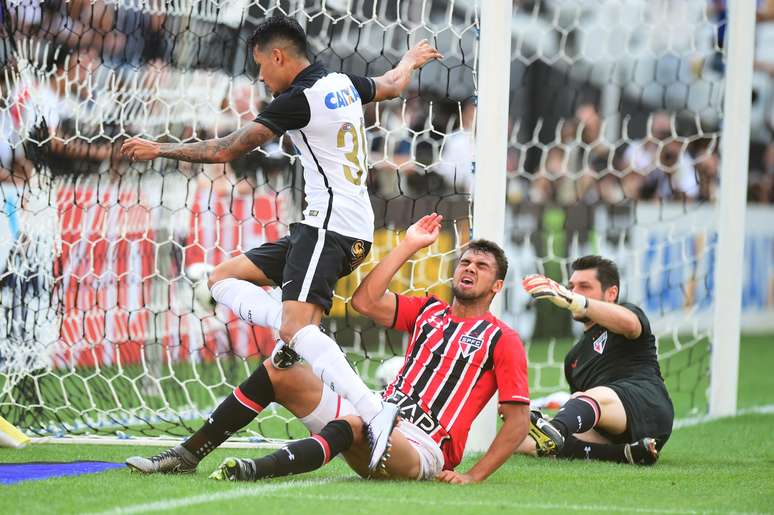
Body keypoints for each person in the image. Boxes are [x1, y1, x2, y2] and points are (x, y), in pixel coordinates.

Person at [121, 14, 442, 471]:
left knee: (291, 334)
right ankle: (201, 442)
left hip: (328, 229)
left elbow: (227, 149)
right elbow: (390, 83)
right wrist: (410, 59)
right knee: (222, 278)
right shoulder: (339, 83)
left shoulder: (300, 99)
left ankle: (374, 410)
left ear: (278, 56)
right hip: (334, 227)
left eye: (261, 66)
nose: (260, 77)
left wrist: (160, 149)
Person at [203, 213, 530, 484]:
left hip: (421, 447)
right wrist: (409, 244)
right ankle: (187, 453)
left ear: (497, 286)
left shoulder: (502, 338)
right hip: (378, 415)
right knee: (281, 373)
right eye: (465, 262)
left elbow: (517, 422)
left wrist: (474, 476)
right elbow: (364, 301)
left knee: (359, 424)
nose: (470, 268)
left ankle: (253, 469)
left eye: (481, 266)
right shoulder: (428, 311)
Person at [518, 256, 674, 465]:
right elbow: (583, 417)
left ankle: (556, 429)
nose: (574, 291)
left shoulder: (627, 314)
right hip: (613, 428)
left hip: (649, 407)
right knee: (522, 441)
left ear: (611, 293)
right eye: (571, 287)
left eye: (585, 286)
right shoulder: (573, 359)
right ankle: (628, 453)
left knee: (588, 399)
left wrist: (574, 301)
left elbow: (630, 325)